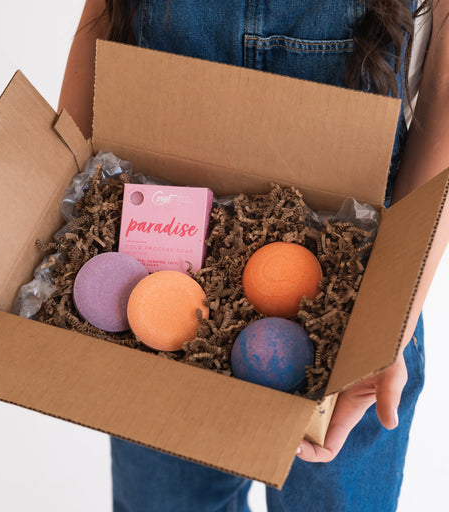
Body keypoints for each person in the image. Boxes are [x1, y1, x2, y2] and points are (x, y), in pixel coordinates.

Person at [59, 1, 449, 510]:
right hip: (158, 258)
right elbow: (104, 18)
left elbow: (445, 93)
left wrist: (390, 324)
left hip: (361, 298)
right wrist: (66, 205)